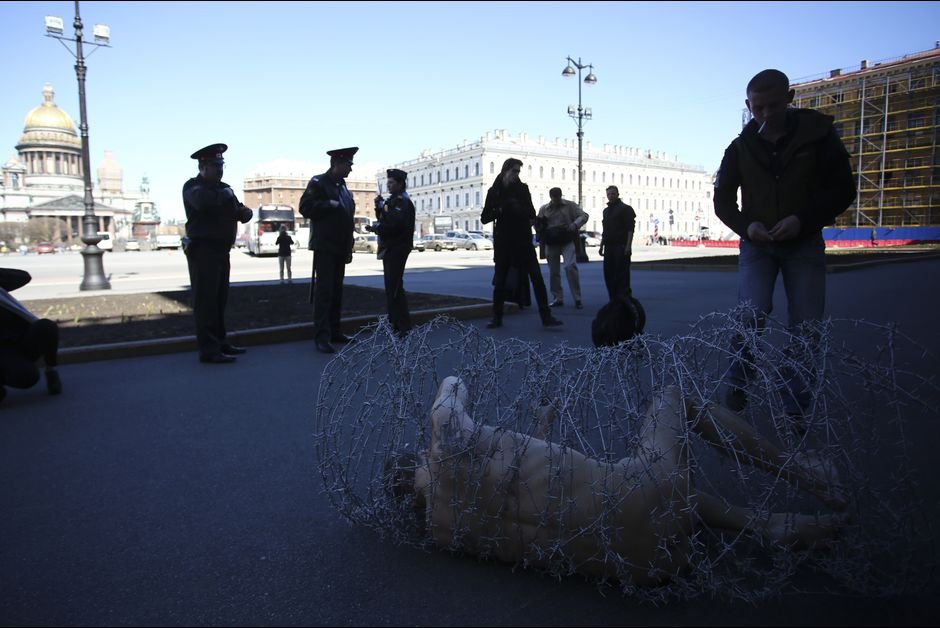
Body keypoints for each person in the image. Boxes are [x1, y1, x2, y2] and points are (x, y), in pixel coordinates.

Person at [385, 376, 847, 586]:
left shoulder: (446, 531)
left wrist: (543, 427)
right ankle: (802, 470)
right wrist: (452, 381)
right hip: (643, 496)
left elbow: (521, 490)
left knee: (630, 496)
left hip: (646, 565)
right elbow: (447, 409)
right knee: (672, 400)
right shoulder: (449, 454)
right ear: (417, 460)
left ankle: (769, 524)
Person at [714, 69, 856, 417]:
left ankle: (797, 399)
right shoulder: (740, 147)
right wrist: (748, 228)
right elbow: (723, 201)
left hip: (803, 243)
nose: (764, 115)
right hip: (758, 245)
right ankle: (738, 383)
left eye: (772, 106)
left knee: (806, 324)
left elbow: (842, 189)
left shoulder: (818, 136)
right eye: (757, 107)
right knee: (751, 313)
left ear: (790, 99)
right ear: (747, 105)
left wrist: (803, 220)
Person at [182, 143, 253, 364]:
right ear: (203, 166)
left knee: (219, 300)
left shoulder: (224, 189)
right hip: (203, 251)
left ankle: (221, 342)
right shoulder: (193, 187)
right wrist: (228, 199)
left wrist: (240, 208)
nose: (220, 170)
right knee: (205, 301)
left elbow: (244, 213)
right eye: (215, 166)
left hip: (222, 251)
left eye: (221, 165)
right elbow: (205, 203)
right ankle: (209, 349)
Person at [481, 158, 562, 329]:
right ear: (505, 171)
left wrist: (519, 208)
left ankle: (546, 316)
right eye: (514, 171)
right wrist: (500, 209)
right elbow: (485, 217)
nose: (516, 174)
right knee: (500, 280)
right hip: (504, 241)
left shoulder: (522, 189)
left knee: (537, 279)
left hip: (523, 240)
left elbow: (531, 212)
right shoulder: (494, 192)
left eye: (518, 171)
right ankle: (497, 317)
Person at [299, 146, 359, 354]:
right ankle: (321, 337)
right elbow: (305, 207)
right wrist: (327, 205)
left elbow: (348, 219)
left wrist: (349, 245)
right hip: (325, 246)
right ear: (337, 163)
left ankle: (335, 331)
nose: (351, 169)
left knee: (336, 292)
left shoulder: (343, 187)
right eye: (348, 165)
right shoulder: (319, 183)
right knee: (324, 293)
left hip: (340, 247)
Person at [0, 268, 62, 404]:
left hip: (17, 343)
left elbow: (23, 277)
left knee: (46, 326)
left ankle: (51, 370)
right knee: (26, 377)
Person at [366, 169, 415, 336]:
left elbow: (396, 225)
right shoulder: (393, 200)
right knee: (390, 286)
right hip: (391, 247)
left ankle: (403, 326)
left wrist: (377, 228)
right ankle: (394, 323)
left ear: (400, 183)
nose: (388, 185)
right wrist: (379, 207)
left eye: (391, 182)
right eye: (387, 182)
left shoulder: (402, 201)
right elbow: (385, 218)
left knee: (394, 287)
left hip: (397, 247)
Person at [536, 187, 588, 309]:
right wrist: (538, 226)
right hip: (551, 241)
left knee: (570, 267)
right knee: (554, 272)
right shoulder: (544, 209)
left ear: (561, 196)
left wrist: (574, 225)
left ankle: (577, 298)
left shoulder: (570, 206)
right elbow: (538, 224)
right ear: (551, 197)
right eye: (554, 198)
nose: (556, 200)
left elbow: (584, 216)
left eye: (558, 197)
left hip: (567, 240)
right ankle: (557, 297)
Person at [600, 186, 636, 301]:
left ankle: (624, 298)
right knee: (609, 274)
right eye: (609, 194)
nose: (610, 196)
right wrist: (601, 245)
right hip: (609, 247)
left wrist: (628, 246)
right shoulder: (606, 211)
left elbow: (630, 229)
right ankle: (613, 298)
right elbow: (605, 230)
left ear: (618, 194)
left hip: (621, 246)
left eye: (613, 194)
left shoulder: (626, 209)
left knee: (621, 274)